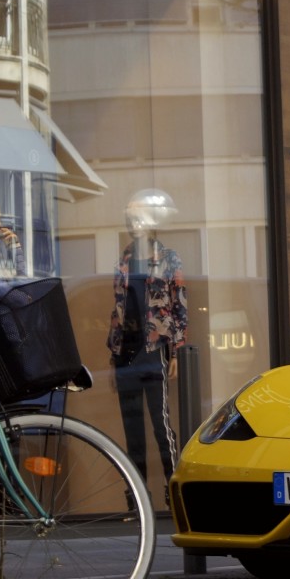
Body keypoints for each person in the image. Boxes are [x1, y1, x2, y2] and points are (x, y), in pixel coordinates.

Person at [106, 188, 187, 511]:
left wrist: (175, 350)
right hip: (126, 353)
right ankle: (137, 501)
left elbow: (179, 306)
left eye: (139, 217)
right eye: (130, 218)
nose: (134, 223)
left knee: (161, 426)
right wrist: (113, 357)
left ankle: (175, 493)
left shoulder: (168, 258)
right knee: (133, 432)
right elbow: (118, 311)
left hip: (155, 351)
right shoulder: (124, 260)